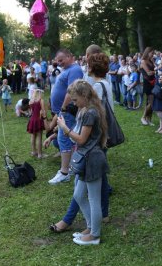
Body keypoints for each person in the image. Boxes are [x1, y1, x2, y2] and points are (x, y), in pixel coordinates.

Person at [56, 80, 109, 245]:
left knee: (93, 198)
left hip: (92, 159)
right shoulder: (85, 110)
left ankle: (95, 235)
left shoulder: (90, 113)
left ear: (85, 96)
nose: (74, 103)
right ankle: (91, 226)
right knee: (78, 195)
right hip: (86, 159)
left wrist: (65, 128)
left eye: (75, 100)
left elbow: (81, 140)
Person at [48, 48, 84, 184]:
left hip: (67, 111)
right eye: (57, 61)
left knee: (64, 138)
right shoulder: (68, 69)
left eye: (61, 60)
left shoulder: (75, 70)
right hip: (63, 111)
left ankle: (65, 172)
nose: (59, 63)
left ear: (69, 56)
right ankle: (68, 168)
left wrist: (63, 108)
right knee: (63, 138)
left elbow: (72, 90)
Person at [27, 89, 46, 159]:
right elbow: (43, 111)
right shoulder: (41, 100)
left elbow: (31, 112)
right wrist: (45, 118)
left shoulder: (31, 101)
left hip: (32, 120)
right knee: (39, 137)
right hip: (38, 120)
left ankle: (33, 151)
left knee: (33, 136)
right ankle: (40, 154)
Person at [139, 46, 156, 126]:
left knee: (150, 102)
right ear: (147, 52)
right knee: (151, 102)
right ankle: (143, 117)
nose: (153, 54)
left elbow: (153, 70)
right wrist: (156, 71)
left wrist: (155, 70)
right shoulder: (143, 61)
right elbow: (148, 73)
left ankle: (149, 119)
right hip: (148, 83)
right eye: (152, 53)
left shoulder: (150, 60)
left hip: (153, 82)